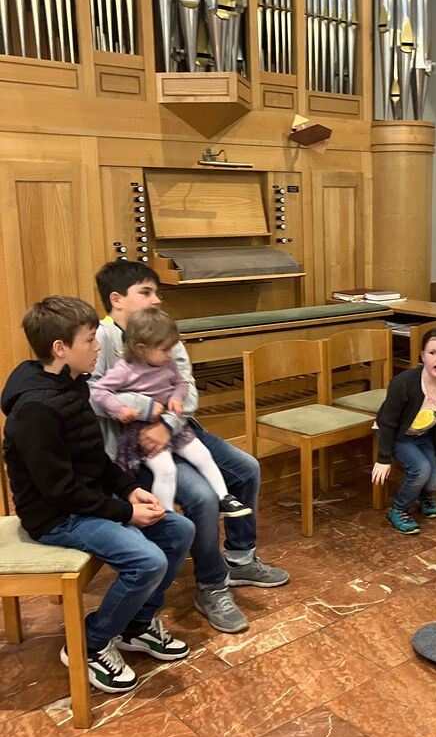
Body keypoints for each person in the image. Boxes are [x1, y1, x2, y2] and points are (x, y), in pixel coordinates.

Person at [1, 296, 195, 694]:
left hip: (87, 501)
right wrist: (125, 513)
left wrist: (130, 488)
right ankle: (90, 643)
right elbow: (59, 491)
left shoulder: (71, 384)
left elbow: (94, 458)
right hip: (57, 517)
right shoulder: (36, 409)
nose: (98, 346)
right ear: (60, 348)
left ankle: (136, 626)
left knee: (179, 531)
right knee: (147, 561)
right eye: (90, 340)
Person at [90, 261, 290, 636]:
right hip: (134, 445)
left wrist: (167, 423)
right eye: (146, 292)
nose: (156, 299)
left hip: (176, 430)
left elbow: (189, 389)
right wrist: (148, 409)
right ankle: (212, 586)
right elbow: (93, 394)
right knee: (201, 497)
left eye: (156, 292)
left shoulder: (162, 329)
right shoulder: (101, 338)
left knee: (246, 468)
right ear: (117, 299)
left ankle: (240, 558)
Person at [90, 308, 252, 518]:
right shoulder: (125, 368)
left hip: (172, 424)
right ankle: (167, 516)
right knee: (166, 470)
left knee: (203, 455)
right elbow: (98, 391)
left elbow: (181, 383)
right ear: (142, 348)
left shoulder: (167, 361)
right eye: (165, 349)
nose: (170, 354)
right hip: (141, 432)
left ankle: (224, 498)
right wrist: (119, 408)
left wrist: (176, 397)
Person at [372, 328, 436, 534]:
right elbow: (388, 423)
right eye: (432, 353)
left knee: (434, 481)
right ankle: (398, 509)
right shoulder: (403, 383)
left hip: (421, 435)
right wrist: (383, 459)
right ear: (422, 356)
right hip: (395, 435)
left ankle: (424, 495)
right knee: (421, 469)